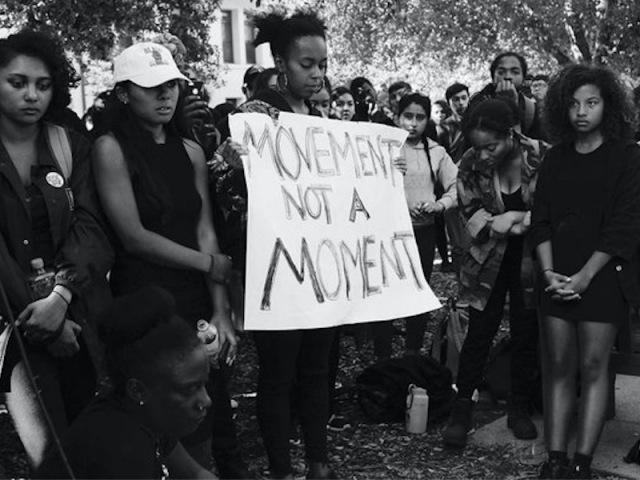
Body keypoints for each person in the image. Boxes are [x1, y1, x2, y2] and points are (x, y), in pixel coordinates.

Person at [91, 42, 249, 478]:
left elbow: (205, 229)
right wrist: (207, 264)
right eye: (151, 87)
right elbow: (134, 236)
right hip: (143, 300)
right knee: (153, 409)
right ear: (123, 93)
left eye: (172, 86)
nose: (165, 96)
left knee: (199, 409)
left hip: (196, 298)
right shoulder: (110, 148)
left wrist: (221, 310)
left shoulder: (192, 150)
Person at [211, 9, 337, 480]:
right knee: (280, 373)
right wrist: (233, 164)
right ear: (281, 63)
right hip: (277, 268)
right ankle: (283, 468)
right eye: (307, 64)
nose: (318, 73)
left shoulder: (321, 117)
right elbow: (225, 191)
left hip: (321, 267)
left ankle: (319, 463)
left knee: (318, 368)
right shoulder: (255, 114)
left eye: (323, 63)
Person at [0, 30, 113, 469]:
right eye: (17, 82)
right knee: (50, 457)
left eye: (43, 85)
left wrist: (61, 299)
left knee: (91, 445)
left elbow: (92, 228)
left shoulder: (69, 145)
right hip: (13, 329)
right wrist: (41, 316)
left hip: (78, 312)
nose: (32, 95)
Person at [530, 64, 640, 479]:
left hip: (602, 278)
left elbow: (625, 227)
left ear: (607, 106)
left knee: (594, 371)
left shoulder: (627, 157)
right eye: (574, 103)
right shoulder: (555, 157)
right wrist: (548, 274)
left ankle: (582, 463)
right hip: (556, 278)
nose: (581, 112)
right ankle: (555, 460)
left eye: (591, 102)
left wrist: (585, 276)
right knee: (558, 369)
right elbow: (539, 220)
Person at [442, 98, 548, 448]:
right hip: (487, 260)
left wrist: (518, 219)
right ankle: (462, 409)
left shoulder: (542, 155)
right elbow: (471, 215)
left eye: (492, 146)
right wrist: (511, 224)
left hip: (533, 261)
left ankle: (518, 407)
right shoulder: (470, 164)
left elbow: (555, 208)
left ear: (512, 134)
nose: (484, 155)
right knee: (479, 333)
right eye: (478, 147)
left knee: (525, 331)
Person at [35, 286, 217, 479]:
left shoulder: (145, 412)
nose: (206, 400)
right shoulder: (119, 450)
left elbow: (196, 475)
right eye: (189, 389)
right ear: (137, 390)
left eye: (203, 384)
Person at [371, 93, 457, 359]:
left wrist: (440, 205)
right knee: (384, 294)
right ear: (398, 117)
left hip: (423, 232)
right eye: (408, 116)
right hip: (387, 233)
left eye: (420, 117)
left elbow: (457, 186)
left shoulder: (436, 151)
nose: (413, 123)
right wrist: (383, 169)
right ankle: (382, 359)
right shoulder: (381, 147)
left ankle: (412, 353)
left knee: (418, 291)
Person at [468, 52, 543, 140]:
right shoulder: (478, 102)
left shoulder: (530, 108)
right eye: (501, 72)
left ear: (523, 78)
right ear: (493, 77)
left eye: (515, 72)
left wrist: (513, 104)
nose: (508, 76)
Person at [441, 82, 471, 275]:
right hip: (451, 188)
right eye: (455, 100)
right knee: (458, 244)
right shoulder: (442, 129)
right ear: (449, 104)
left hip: (476, 187)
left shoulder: (478, 123)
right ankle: (462, 288)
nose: (460, 103)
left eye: (463, 98)